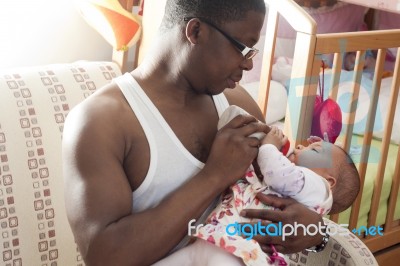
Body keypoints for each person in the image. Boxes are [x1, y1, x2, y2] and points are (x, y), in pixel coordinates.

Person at [62, 1, 328, 265]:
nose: (248, 65)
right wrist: (214, 175)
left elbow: (277, 197)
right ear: (196, 32)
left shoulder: (239, 104)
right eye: (243, 48)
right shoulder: (101, 122)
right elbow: (104, 258)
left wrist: (316, 232)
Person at [152, 105, 360, 266]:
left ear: (330, 180)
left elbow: (278, 175)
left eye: (313, 151)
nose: (299, 146)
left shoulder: (318, 186)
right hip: (213, 239)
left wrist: (269, 145)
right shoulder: (290, 181)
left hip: (239, 252)